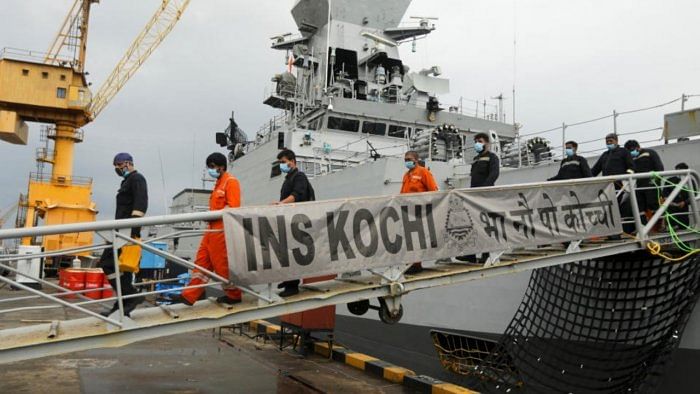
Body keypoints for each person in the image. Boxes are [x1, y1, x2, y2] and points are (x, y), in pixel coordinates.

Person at [178, 153, 243, 306]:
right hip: (211, 229)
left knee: (221, 265)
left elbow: (233, 207)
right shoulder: (218, 184)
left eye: (212, 167)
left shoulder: (231, 182)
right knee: (201, 262)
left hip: (221, 229)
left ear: (221, 167)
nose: (210, 170)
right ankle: (189, 295)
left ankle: (234, 295)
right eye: (209, 167)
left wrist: (213, 216)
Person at [100, 153, 148, 317]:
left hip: (126, 231)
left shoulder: (137, 179)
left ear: (127, 163)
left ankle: (130, 296)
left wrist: (132, 229)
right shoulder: (127, 181)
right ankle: (123, 305)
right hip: (120, 230)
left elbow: (141, 203)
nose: (117, 169)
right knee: (123, 267)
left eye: (118, 166)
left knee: (107, 262)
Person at [275, 149, 315, 297]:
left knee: (294, 252)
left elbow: (297, 195)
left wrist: (281, 204)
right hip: (290, 218)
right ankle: (287, 280)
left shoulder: (299, 177)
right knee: (286, 250)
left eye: (284, 162)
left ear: (293, 162)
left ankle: (292, 286)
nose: (282, 165)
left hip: (298, 220)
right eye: (280, 163)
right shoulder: (288, 178)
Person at [457, 133, 500, 264]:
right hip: (474, 196)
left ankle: (487, 254)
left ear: (487, 143)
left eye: (480, 141)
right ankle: (471, 254)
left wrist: (483, 189)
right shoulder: (476, 159)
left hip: (485, 195)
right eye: (476, 141)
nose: (477, 143)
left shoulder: (492, 158)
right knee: (473, 224)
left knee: (485, 225)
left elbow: (494, 174)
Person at [401, 151, 439, 273]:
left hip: (420, 210)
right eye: (405, 159)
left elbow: (433, 190)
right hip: (408, 210)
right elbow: (402, 193)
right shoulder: (406, 175)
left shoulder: (423, 172)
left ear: (416, 160)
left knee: (417, 238)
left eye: (409, 159)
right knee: (410, 238)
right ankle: (412, 263)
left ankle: (416, 264)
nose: (407, 161)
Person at [624, 139, 664, 221]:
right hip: (638, 186)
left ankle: (660, 225)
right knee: (638, 206)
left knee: (653, 204)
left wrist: (656, 180)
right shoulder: (630, 159)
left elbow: (659, 168)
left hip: (651, 184)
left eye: (631, 150)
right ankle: (643, 226)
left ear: (638, 147)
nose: (631, 153)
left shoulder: (650, 152)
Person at [664, 163, 692, 229]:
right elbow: (665, 195)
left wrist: (685, 202)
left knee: (683, 226)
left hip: (684, 209)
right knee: (672, 226)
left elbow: (694, 195)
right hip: (672, 209)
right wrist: (672, 203)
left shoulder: (690, 181)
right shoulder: (669, 181)